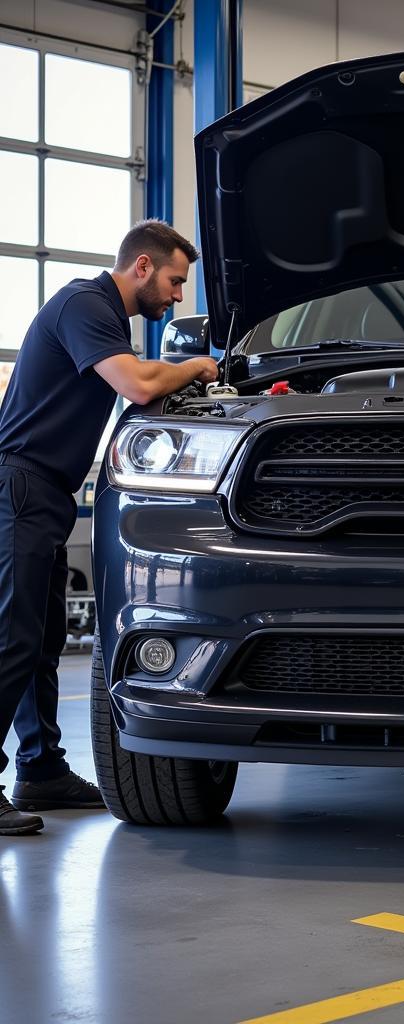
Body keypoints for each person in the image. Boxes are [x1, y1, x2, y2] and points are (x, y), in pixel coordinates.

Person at [0, 220, 219, 836]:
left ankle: (40, 768)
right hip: (21, 485)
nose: (178, 296)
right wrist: (196, 365)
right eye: (176, 281)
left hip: (47, 491)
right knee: (12, 637)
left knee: (40, 643)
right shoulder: (85, 304)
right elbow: (137, 383)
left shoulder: (105, 320)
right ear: (142, 268)